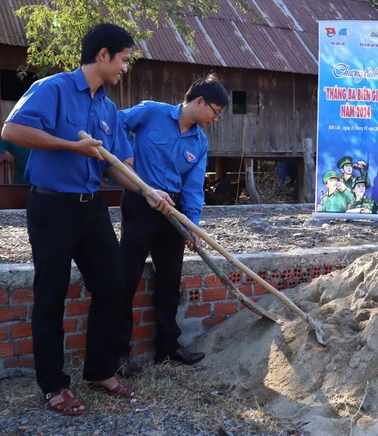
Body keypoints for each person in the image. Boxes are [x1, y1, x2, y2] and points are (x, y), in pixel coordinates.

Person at [0, 23, 169, 415]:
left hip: (92, 208)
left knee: (112, 285)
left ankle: (99, 370)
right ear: (104, 54)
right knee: (51, 293)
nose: (126, 68)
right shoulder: (52, 88)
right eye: (124, 60)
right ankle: (53, 385)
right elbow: (11, 129)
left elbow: (120, 166)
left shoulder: (108, 108)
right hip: (51, 205)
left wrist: (148, 190)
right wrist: (72, 147)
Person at [116, 75, 229, 370]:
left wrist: (192, 226)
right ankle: (118, 352)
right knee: (126, 280)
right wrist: (126, 159)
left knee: (169, 281)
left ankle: (167, 347)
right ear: (199, 101)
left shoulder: (199, 141)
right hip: (140, 203)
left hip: (172, 214)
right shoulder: (151, 112)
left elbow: (193, 188)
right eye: (215, 112)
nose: (215, 119)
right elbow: (115, 122)